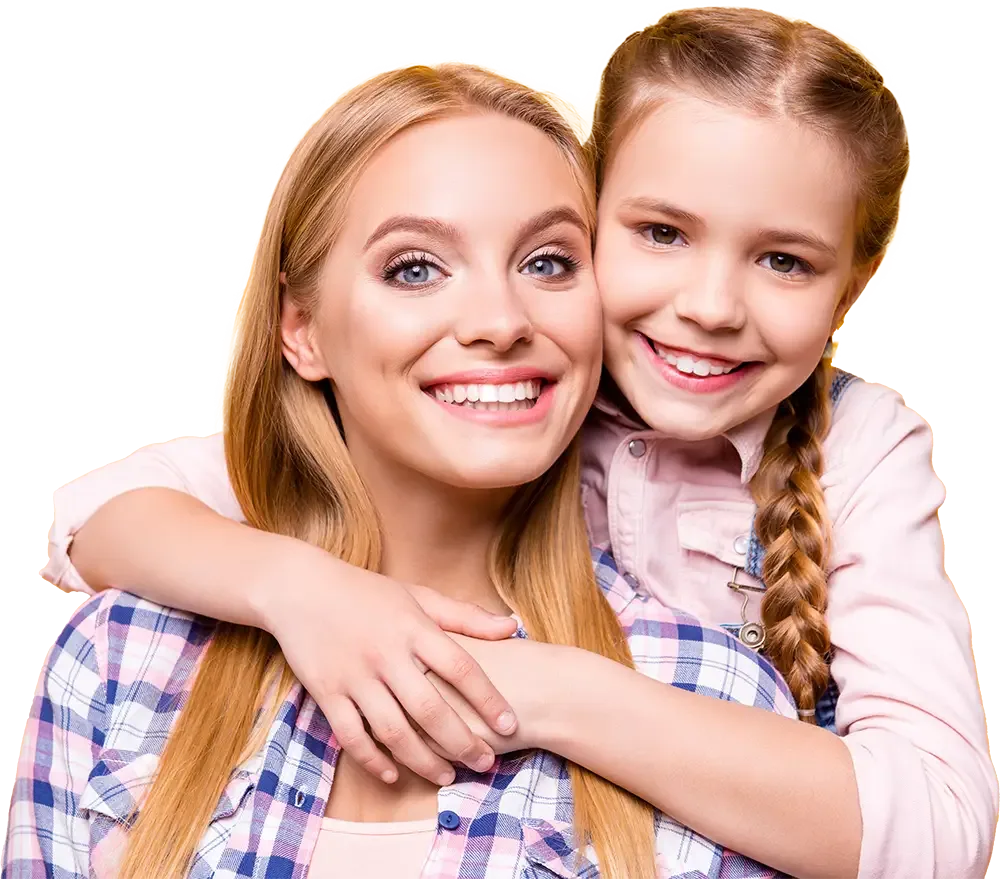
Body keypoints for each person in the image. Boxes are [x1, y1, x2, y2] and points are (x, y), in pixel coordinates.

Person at [25, 6, 1000, 878]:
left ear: (854, 284)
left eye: (783, 260)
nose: (706, 307)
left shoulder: (850, 458)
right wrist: (304, 590)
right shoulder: (127, 656)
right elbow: (99, 515)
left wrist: (516, 682)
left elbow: (938, 829)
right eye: (660, 233)